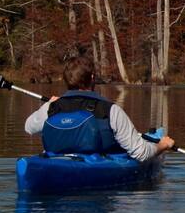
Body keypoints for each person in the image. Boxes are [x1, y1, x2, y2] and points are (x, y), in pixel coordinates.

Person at [25, 56, 174, 160]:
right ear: (92, 78)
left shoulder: (51, 107)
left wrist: (48, 105)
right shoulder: (110, 110)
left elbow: (29, 127)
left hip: (57, 164)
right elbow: (141, 153)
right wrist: (162, 145)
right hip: (96, 171)